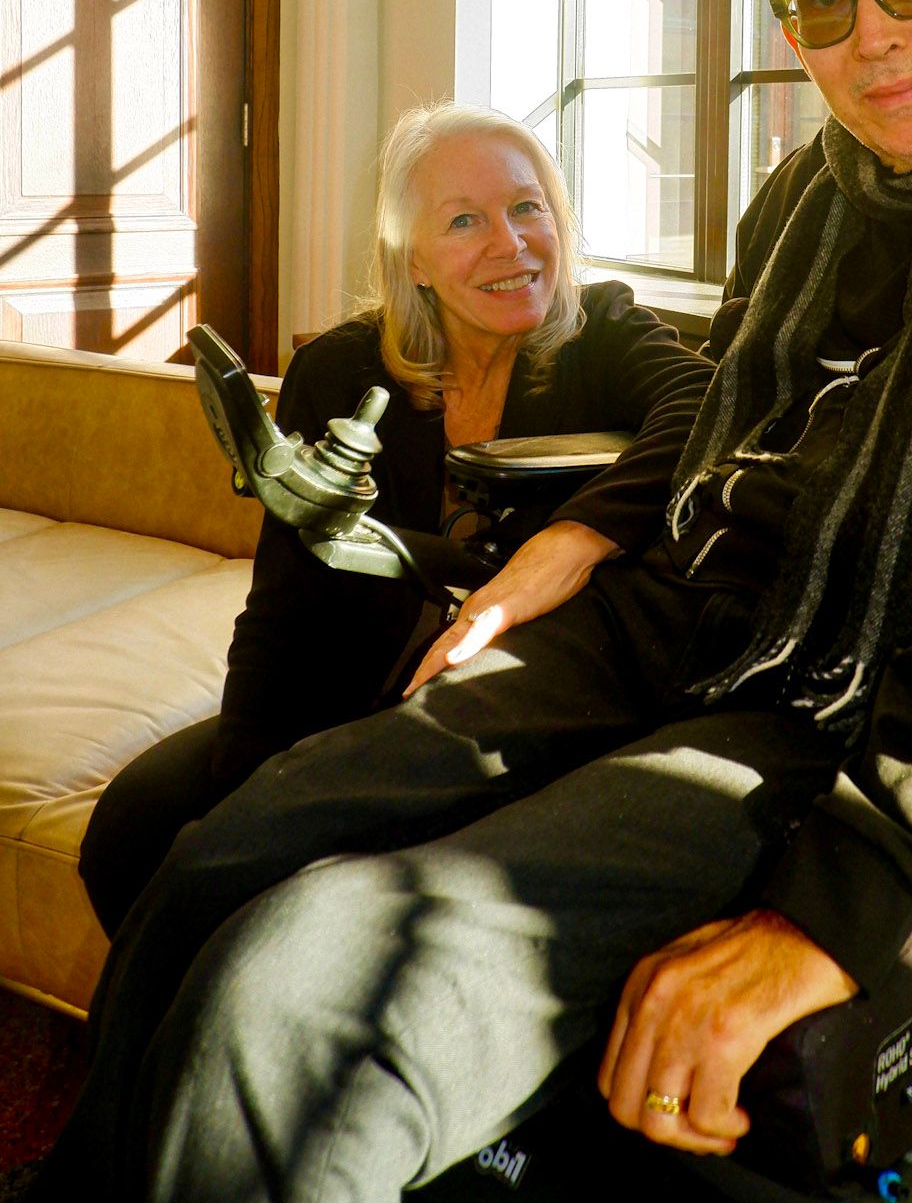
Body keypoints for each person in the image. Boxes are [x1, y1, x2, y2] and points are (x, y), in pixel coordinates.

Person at [35, 0, 912, 1203]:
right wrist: (588, 540)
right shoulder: (806, 196)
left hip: (848, 687)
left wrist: (851, 895)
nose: (870, 33)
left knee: (303, 1001)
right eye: (823, 4)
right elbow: (716, 432)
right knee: (223, 848)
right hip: (684, 621)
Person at [78, 102, 714, 937]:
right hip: (351, 696)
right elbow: (284, 610)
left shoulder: (604, 336)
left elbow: (710, 405)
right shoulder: (338, 370)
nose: (510, 244)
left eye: (526, 207)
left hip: (507, 716)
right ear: (411, 257)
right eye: (464, 221)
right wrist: (246, 780)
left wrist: (565, 544)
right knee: (134, 831)